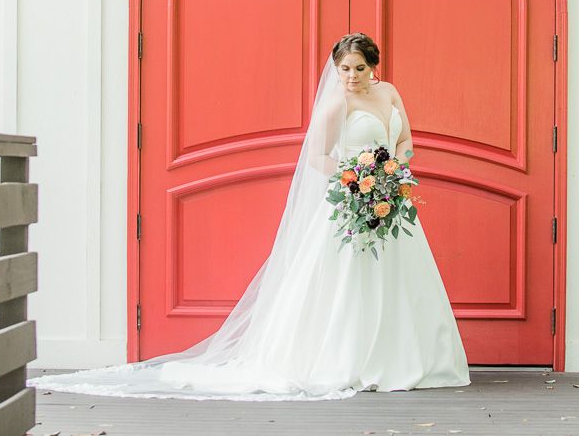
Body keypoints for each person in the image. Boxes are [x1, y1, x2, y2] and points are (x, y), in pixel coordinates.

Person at [30, 33, 470, 400]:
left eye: (358, 68)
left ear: (373, 66)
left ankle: (404, 357)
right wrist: (358, 180)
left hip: (391, 202)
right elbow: (317, 156)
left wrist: (394, 172)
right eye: (343, 69)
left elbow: (406, 140)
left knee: (397, 280)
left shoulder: (389, 93)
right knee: (348, 282)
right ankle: (349, 358)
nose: (351, 77)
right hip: (354, 203)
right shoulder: (337, 106)